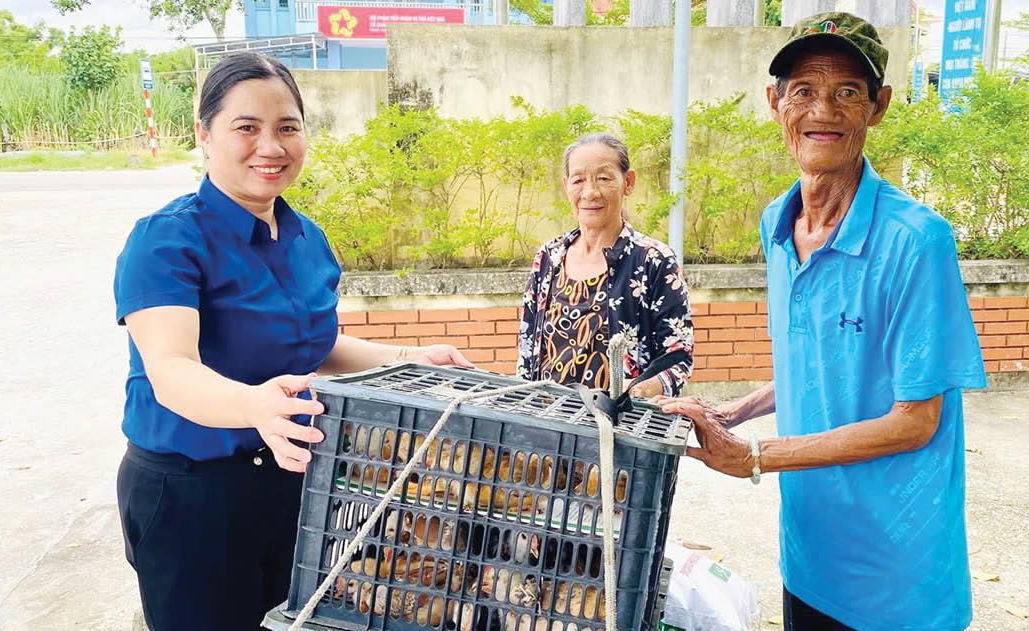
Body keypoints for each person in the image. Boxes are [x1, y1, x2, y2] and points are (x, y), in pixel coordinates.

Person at [112, 52, 472, 631]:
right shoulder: (167, 241)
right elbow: (171, 369)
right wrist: (255, 405)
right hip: (191, 494)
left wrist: (410, 358)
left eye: (287, 127)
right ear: (205, 135)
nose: (271, 146)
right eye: (246, 128)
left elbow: (314, 344)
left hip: (292, 479)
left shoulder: (306, 237)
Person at [657, 13, 986, 631]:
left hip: (895, 576)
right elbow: (830, 363)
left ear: (878, 107)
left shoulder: (917, 242)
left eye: (847, 92)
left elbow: (916, 421)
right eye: (803, 90)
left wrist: (755, 454)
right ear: (775, 104)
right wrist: (738, 411)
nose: (822, 110)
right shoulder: (777, 226)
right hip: (807, 551)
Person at [517, 133, 694, 397]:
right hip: (549, 422)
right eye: (578, 180)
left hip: (620, 427)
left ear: (628, 182)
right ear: (566, 186)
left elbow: (679, 357)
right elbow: (527, 348)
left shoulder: (653, 260)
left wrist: (637, 393)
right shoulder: (548, 257)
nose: (590, 192)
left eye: (604, 178)